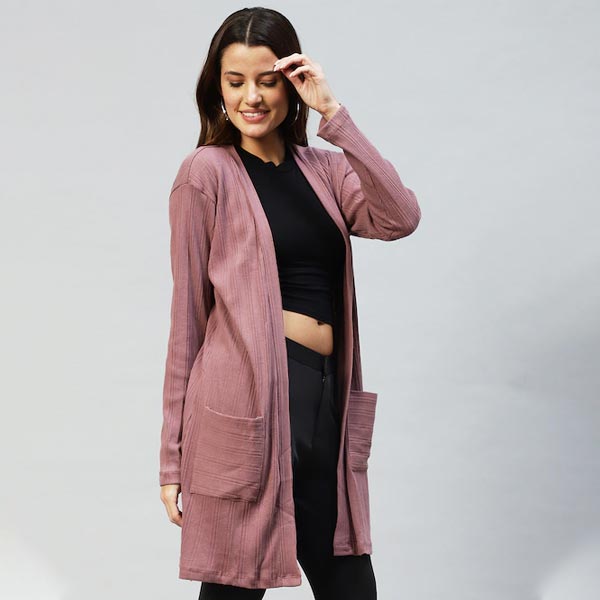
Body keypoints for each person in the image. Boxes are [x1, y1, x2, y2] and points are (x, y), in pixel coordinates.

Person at [158, 6, 421, 599]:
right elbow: (187, 322)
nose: (251, 97)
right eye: (235, 82)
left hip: (324, 396)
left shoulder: (326, 170)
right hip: (244, 402)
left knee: (348, 580)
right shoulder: (204, 174)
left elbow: (400, 217)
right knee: (234, 585)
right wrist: (172, 460)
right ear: (217, 88)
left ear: (292, 84)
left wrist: (334, 114)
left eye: (266, 81)